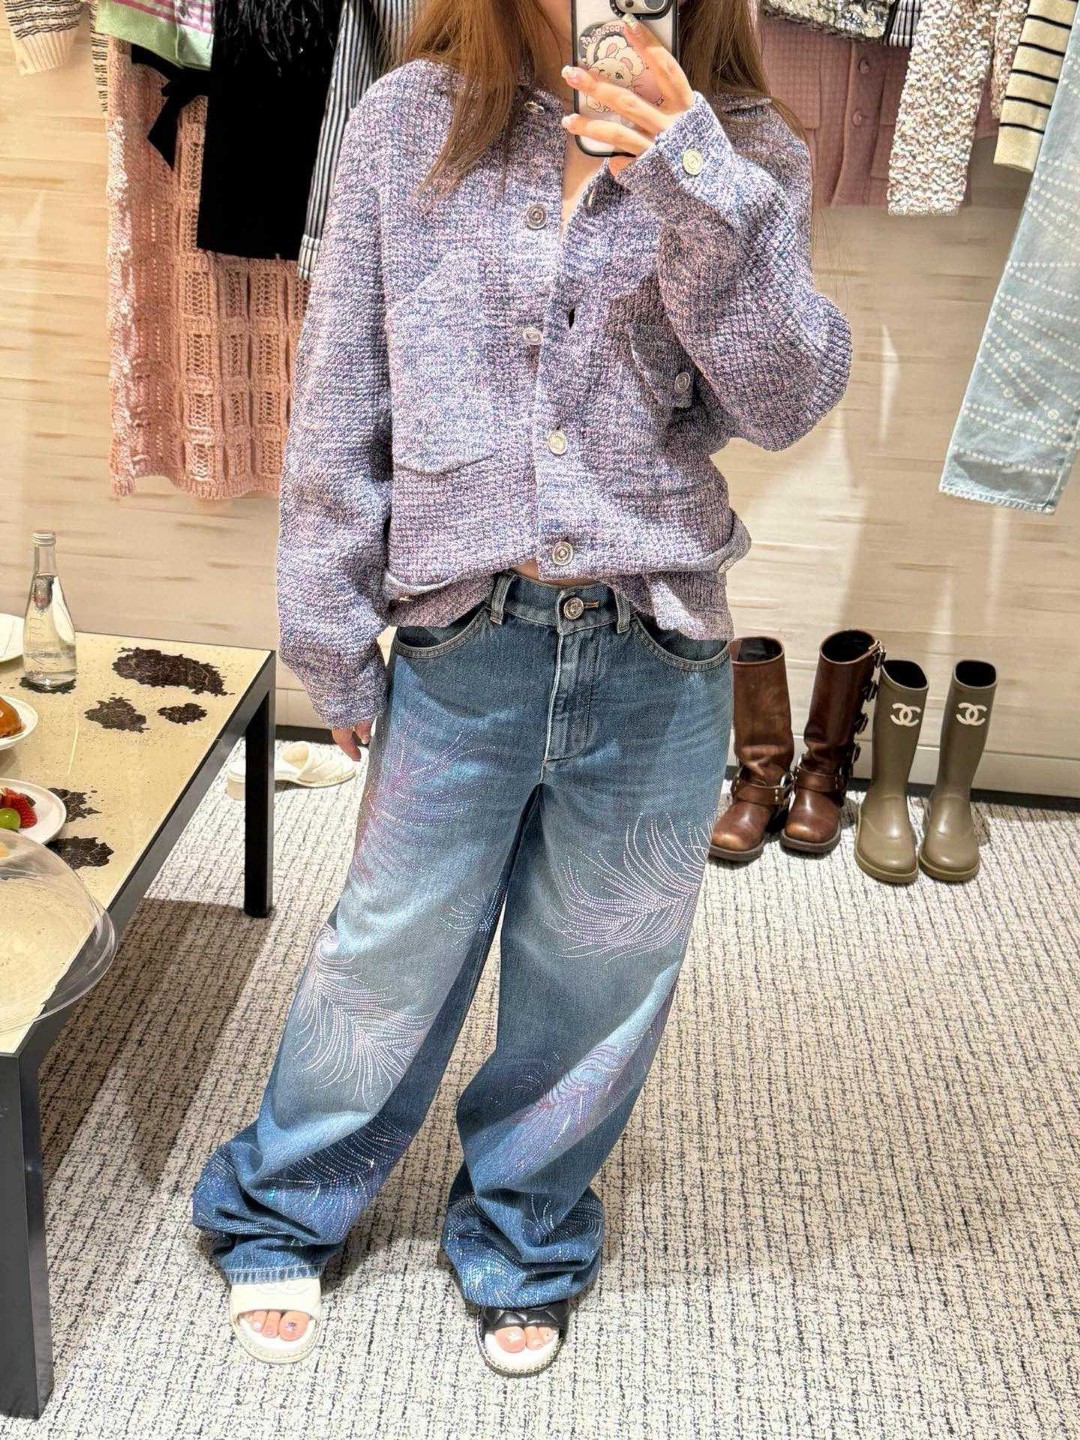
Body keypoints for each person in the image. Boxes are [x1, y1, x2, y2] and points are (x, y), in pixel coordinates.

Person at [191, 0, 851, 1377]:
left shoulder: (744, 147)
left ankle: (525, 1231)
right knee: (387, 952)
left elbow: (787, 397)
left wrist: (692, 174)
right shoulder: (406, 123)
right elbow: (342, 394)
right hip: (463, 638)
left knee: (597, 976)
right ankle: (287, 1200)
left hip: (656, 643)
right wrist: (328, 628)